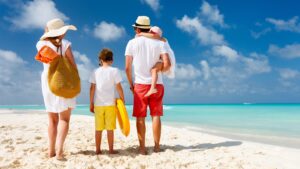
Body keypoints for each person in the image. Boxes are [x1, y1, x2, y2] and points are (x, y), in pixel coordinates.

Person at [125, 16, 171, 154]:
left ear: (138, 29)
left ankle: (143, 148)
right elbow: (167, 65)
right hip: (157, 83)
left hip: (140, 84)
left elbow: (127, 68)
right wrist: (157, 70)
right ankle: (157, 147)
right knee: (156, 115)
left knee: (140, 117)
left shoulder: (132, 43)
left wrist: (131, 84)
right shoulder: (160, 43)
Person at [35, 18, 78, 160]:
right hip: (63, 82)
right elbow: (73, 65)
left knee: (52, 119)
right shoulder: (65, 44)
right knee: (64, 119)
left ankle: (50, 151)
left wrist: (47, 33)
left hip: (48, 82)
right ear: (60, 32)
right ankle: (59, 152)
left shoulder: (40, 44)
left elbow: (47, 59)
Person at [89, 48, 124, 155]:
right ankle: (110, 149)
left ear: (100, 60)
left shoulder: (95, 71)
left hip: (98, 104)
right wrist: (122, 99)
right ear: (111, 60)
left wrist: (91, 103)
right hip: (110, 104)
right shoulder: (115, 71)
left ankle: (98, 150)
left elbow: (92, 88)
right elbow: (118, 86)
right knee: (110, 129)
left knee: (98, 128)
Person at [140, 26, 176, 97]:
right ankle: (152, 88)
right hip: (164, 59)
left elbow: (154, 36)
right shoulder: (158, 41)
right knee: (154, 70)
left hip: (168, 59)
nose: (149, 34)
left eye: (150, 32)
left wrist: (141, 33)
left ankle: (152, 88)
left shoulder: (163, 39)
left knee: (154, 70)